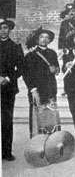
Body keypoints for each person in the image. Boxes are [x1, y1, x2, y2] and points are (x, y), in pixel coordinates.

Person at [23, 27, 59, 137]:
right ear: (37, 39)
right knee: (37, 115)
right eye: (41, 37)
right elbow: (26, 74)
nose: (44, 39)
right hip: (37, 89)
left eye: (47, 38)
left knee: (51, 115)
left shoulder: (52, 53)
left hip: (50, 88)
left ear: (49, 40)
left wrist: (55, 69)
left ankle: (52, 142)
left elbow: (57, 69)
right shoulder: (31, 55)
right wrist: (33, 89)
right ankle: (37, 142)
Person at [0, 19, 24, 161]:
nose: (3, 30)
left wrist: (8, 78)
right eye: (1, 28)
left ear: (9, 30)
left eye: (6, 28)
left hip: (8, 88)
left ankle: (6, 151)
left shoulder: (15, 47)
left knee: (7, 120)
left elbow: (21, 67)